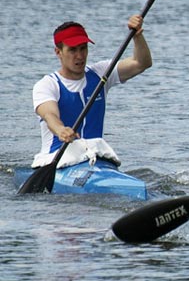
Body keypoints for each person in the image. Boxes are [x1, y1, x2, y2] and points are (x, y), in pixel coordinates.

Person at [30, 14, 152, 167]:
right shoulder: (47, 85)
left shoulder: (101, 74)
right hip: (58, 160)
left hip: (96, 158)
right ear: (58, 52)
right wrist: (61, 130)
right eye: (72, 50)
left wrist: (137, 36)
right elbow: (49, 115)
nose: (80, 56)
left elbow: (142, 63)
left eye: (83, 48)